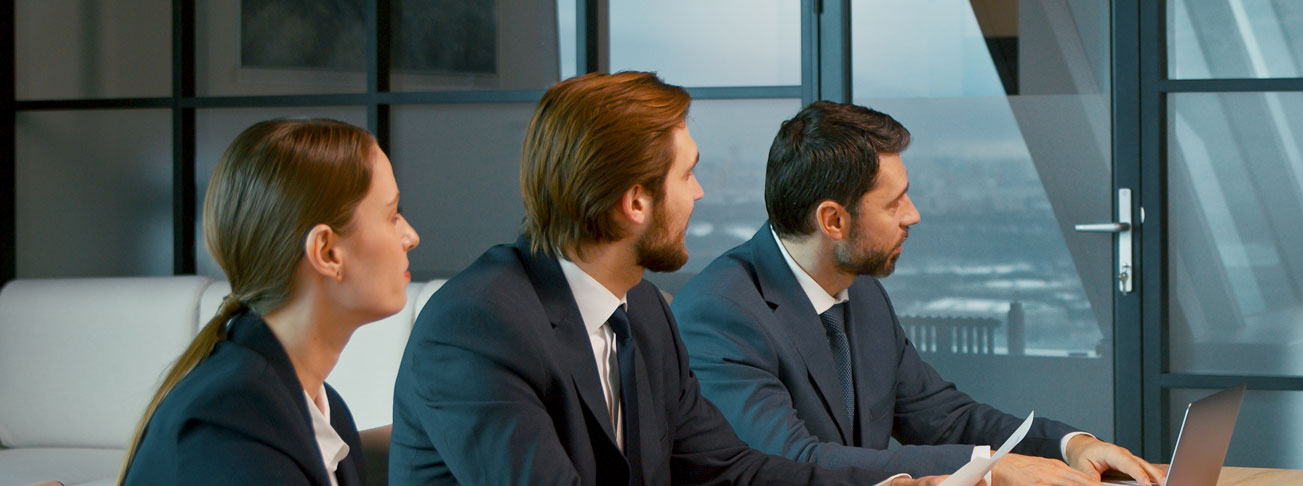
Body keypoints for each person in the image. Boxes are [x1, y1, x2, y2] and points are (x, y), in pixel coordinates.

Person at [387, 73, 945, 486]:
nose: (699, 194)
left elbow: (730, 469)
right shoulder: (478, 325)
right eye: (688, 174)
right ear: (636, 203)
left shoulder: (645, 311)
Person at [672, 101, 1162, 486]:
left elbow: (943, 419)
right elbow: (794, 460)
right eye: (894, 202)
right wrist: (992, 470)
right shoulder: (721, 312)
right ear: (833, 221)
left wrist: (1069, 445)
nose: (914, 214)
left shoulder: (860, 294)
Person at [120, 119, 421, 484]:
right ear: (326, 252)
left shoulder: (320, 410)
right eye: (392, 215)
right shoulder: (231, 423)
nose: (410, 236)